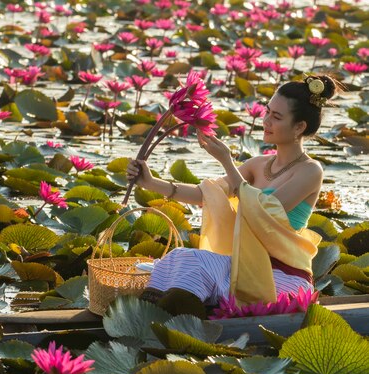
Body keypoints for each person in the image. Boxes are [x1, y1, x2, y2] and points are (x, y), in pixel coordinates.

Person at [126, 75, 338, 317]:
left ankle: (170, 317)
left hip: (283, 275)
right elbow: (206, 193)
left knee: (197, 263)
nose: (265, 121)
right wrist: (151, 182)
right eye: (267, 112)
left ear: (299, 127)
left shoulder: (310, 171)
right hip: (244, 266)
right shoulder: (258, 164)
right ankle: (163, 316)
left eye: (276, 117)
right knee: (180, 256)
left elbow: (265, 211)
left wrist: (227, 161)